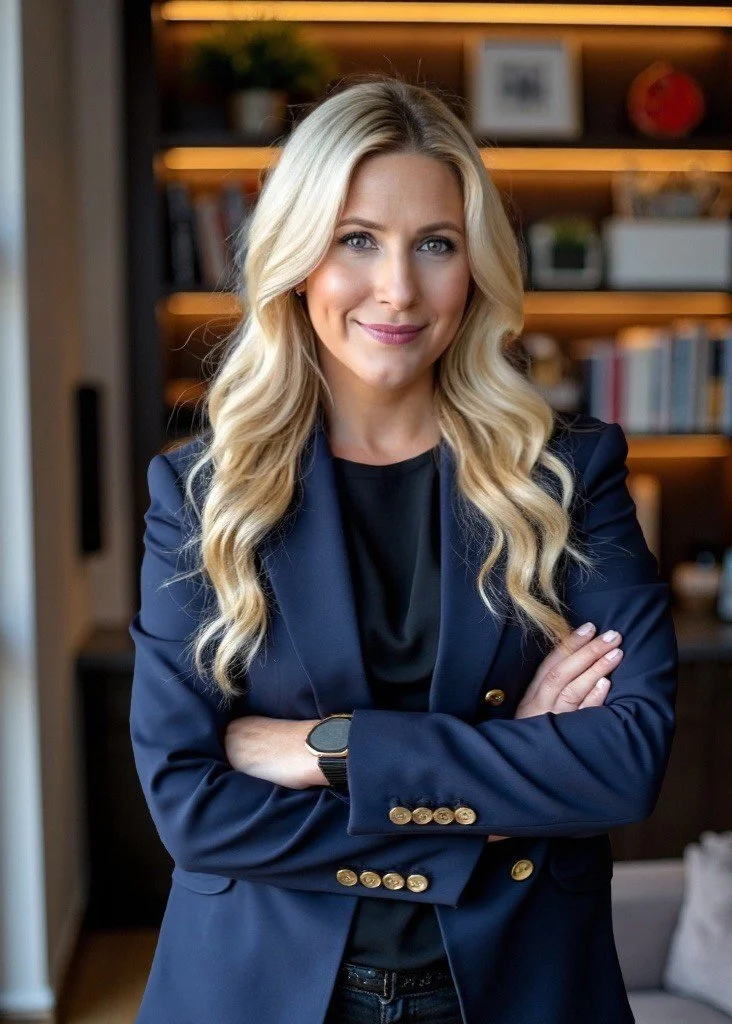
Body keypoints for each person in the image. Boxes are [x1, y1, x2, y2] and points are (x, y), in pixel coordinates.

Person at [129, 75, 678, 1024]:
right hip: (257, 988)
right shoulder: (201, 493)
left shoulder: (568, 475)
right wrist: (513, 767)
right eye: (356, 241)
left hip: (521, 984)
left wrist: (326, 749)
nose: (397, 288)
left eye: (435, 244)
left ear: (475, 270)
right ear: (299, 260)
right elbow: (190, 807)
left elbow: (625, 761)